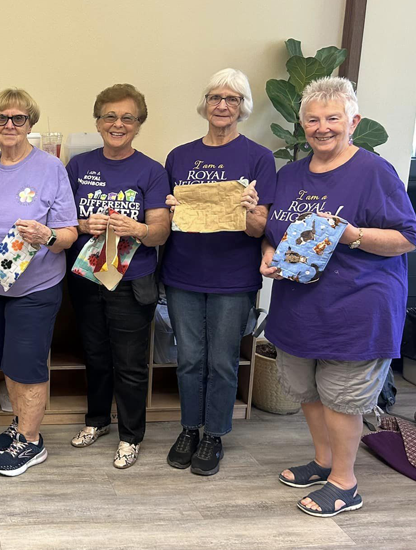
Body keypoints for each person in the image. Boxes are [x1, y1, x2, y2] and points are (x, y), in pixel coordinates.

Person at [261, 76, 416, 517]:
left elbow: (408, 236)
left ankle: (345, 484)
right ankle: (324, 460)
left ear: (354, 121)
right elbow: (274, 232)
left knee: (342, 397)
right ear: (302, 123)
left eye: (333, 118)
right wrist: (268, 252)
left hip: (356, 308)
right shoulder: (290, 174)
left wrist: (354, 236)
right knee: (307, 390)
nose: (322, 127)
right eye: (313, 119)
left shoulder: (373, 171)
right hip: (298, 307)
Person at [0, 88, 78, 476]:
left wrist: (48, 236)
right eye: (1, 118)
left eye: (18, 119)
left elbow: (69, 234)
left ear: (30, 124)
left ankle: (32, 440)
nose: (9, 125)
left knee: (27, 364)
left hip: (35, 288)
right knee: (7, 362)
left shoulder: (51, 169)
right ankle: (20, 425)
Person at [163, 68, 276, 476]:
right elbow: (165, 217)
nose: (223, 105)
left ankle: (215, 434)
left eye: (232, 99)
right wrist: (174, 210)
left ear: (243, 107)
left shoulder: (259, 158)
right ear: (205, 104)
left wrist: (249, 210)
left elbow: (261, 228)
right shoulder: (179, 156)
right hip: (182, 273)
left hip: (233, 277)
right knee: (189, 359)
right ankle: (189, 428)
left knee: (222, 361)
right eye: (216, 97)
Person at [65, 84, 170, 468]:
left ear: (139, 124)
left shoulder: (152, 171)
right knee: (94, 354)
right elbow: (61, 222)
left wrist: (137, 228)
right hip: (87, 276)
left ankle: (130, 435)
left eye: (127, 117)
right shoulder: (78, 166)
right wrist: (82, 222)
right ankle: (97, 421)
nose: (117, 123)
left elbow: (161, 230)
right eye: (110, 115)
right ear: (97, 121)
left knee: (129, 362)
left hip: (132, 281)